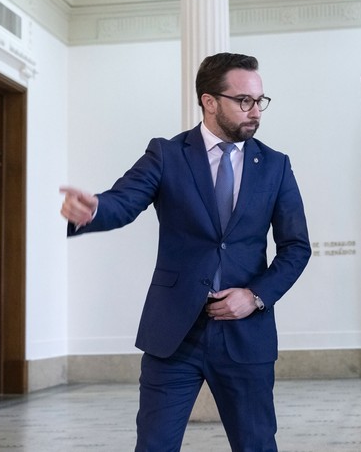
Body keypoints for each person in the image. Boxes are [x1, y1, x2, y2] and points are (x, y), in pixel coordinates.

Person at [60, 52, 311, 451]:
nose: (255, 111)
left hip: (245, 334)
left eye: (259, 101)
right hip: (175, 333)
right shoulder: (167, 154)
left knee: (257, 445)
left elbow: (296, 247)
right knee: (155, 445)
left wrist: (255, 296)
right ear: (209, 101)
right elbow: (123, 201)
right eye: (243, 100)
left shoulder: (276, 166)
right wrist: (94, 210)